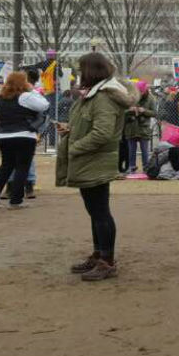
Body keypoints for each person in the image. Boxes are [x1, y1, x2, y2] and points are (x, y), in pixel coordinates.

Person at [56, 53, 136, 281]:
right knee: (95, 211)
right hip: (90, 161)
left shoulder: (102, 97)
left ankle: (106, 262)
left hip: (95, 160)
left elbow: (102, 133)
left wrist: (75, 146)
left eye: (81, 70)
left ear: (90, 71)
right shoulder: (96, 94)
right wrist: (71, 130)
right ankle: (99, 254)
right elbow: (92, 126)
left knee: (100, 212)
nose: (79, 74)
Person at [0, 72, 50, 209]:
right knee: (22, 167)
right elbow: (44, 105)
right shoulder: (25, 96)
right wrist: (33, 91)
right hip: (24, 135)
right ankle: (16, 201)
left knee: (6, 166)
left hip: (4, 136)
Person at [124, 81, 156, 174]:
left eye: (141, 92)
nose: (140, 94)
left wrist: (144, 111)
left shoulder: (151, 98)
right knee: (131, 149)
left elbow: (154, 113)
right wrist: (129, 110)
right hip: (131, 127)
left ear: (145, 90)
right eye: (138, 91)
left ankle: (146, 167)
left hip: (143, 128)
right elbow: (122, 110)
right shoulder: (130, 97)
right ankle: (131, 167)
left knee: (144, 149)